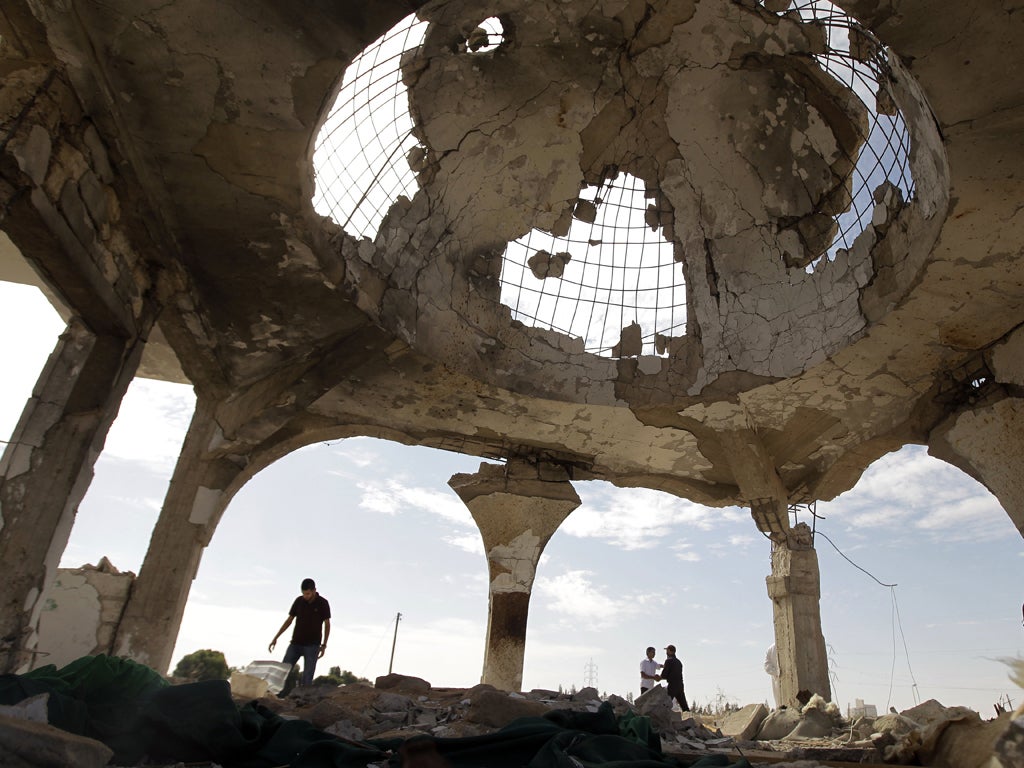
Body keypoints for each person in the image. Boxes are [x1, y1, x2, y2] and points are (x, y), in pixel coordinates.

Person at [269, 578, 331, 686]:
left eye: (308, 594)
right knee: (282, 672)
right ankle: (273, 696)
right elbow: (289, 620)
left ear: (314, 590)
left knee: (307, 677)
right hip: (296, 643)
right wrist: (276, 638)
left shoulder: (323, 603)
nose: (305, 596)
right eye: (303, 594)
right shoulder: (299, 601)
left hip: (312, 645)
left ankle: (303, 700)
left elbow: (327, 624)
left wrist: (324, 645)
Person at [659, 644, 689, 711]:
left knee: (666, 703)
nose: (666, 652)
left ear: (670, 651)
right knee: (683, 704)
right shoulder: (679, 662)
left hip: (672, 685)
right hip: (680, 685)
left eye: (667, 650)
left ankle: (663, 718)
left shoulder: (668, 661)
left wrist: (659, 678)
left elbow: (664, 675)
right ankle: (689, 716)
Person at [764, 643, 782, 708]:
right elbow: (767, 666)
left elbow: (767, 667)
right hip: (778, 681)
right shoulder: (771, 648)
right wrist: (778, 673)